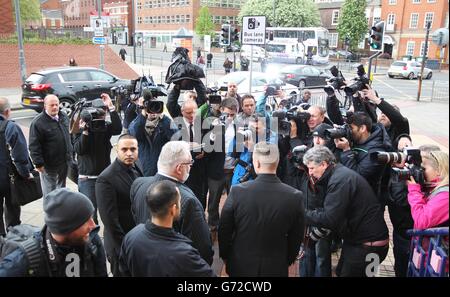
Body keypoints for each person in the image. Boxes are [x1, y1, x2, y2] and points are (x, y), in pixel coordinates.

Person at [218, 142, 305, 277]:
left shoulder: (237, 192)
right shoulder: (295, 196)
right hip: (276, 265)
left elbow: (224, 229)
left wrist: (225, 255)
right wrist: (287, 259)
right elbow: (296, 236)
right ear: (276, 163)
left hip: (240, 263)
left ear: (256, 163)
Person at [302, 146, 389, 277]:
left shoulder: (340, 180)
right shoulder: (338, 175)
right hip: (360, 243)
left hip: (369, 247)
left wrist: (300, 214)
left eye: (312, 168)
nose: (310, 173)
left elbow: (330, 218)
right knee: (340, 272)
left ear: (324, 164)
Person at [129, 141, 214, 265]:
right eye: (190, 163)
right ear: (179, 168)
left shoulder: (138, 184)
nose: (191, 166)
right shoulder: (188, 200)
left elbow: (136, 218)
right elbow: (203, 250)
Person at [0, 188, 107, 277]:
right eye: (85, 221)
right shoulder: (24, 260)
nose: (93, 225)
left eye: (91, 217)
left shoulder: (92, 240)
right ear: (66, 228)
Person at [120, 180, 215, 277]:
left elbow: (124, 270)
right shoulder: (183, 253)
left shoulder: (131, 236)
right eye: (179, 201)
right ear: (173, 209)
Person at [95, 134, 143, 276]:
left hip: (137, 238)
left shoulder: (137, 164)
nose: (129, 153)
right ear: (117, 150)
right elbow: (110, 221)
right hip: (120, 246)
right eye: (124, 149)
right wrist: (125, 247)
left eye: (133, 149)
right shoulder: (105, 179)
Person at [73, 94, 122, 224]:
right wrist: (85, 132)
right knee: (90, 216)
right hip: (87, 179)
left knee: (109, 214)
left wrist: (111, 107)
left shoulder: (105, 126)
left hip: (105, 177)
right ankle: (93, 243)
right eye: (99, 116)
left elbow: (118, 129)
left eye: (103, 115)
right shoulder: (81, 126)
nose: (101, 119)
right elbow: (79, 149)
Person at [334, 111, 392, 201]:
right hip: (350, 198)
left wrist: (346, 150)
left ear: (362, 128)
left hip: (365, 202)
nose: (349, 131)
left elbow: (357, 176)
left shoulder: (376, 151)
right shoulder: (355, 141)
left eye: (351, 128)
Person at [0, 98, 33, 236]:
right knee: (12, 209)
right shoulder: (11, 127)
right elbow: (20, 156)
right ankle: (13, 236)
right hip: (7, 179)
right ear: (7, 111)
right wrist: (26, 174)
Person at [29, 95, 72, 196]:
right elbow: (34, 145)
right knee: (50, 192)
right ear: (45, 106)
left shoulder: (64, 116)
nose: (55, 107)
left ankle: (60, 208)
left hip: (64, 161)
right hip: (48, 165)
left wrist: (71, 152)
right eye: (51, 105)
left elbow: (69, 135)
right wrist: (38, 163)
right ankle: (50, 210)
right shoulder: (38, 122)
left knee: (62, 189)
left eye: (56, 105)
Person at [128, 90, 178, 177]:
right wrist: (143, 113)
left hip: (162, 171)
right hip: (142, 172)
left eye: (156, 106)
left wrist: (163, 118)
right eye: (150, 106)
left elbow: (175, 137)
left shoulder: (165, 122)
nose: (153, 111)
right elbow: (135, 134)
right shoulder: (137, 122)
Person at [407, 150, 449, 229]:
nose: (420, 172)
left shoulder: (445, 196)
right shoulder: (432, 190)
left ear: (439, 170)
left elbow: (421, 221)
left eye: (423, 169)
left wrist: (414, 191)